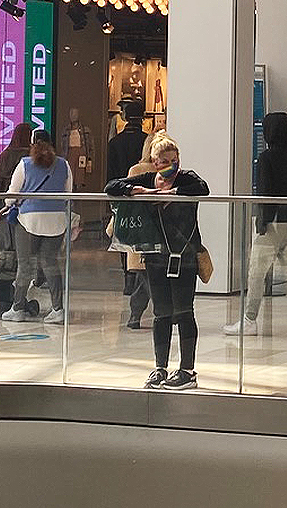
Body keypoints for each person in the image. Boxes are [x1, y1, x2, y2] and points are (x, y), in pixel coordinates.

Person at [105, 132, 209, 390]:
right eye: (164, 162)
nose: (170, 166)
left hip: (183, 256)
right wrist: (135, 190)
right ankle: (160, 367)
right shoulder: (148, 178)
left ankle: (187, 370)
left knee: (184, 312)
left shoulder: (187, 178)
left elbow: (202, 188)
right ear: (154, 162)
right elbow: (111, 186)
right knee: (161, 313)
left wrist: (172, 192)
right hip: (155, 257)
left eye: (174, 160)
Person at [226, 112, 287, 340]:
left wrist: (262, 221)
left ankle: (249, 319)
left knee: (256, 273)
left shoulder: (266, 158)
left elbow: (265, 192)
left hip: (272, 224)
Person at [3, 128, 70, 325]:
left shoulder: (25, 164)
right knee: (50, 263)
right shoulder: (64, 164)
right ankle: (58, 309)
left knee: (25, 265)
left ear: (32, 144)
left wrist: (8, 204)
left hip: (29, 220)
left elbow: (12, 194)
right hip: (57, 220)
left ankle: (18, 308)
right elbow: (68, 193)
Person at [105, 103, 152, 329]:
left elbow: (111, 175)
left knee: (124, 237)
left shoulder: (115, 143)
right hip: (146, 204)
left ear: (124, 116)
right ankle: (135, 282)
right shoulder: (146, 142)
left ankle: (128, 278)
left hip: (123, 198)